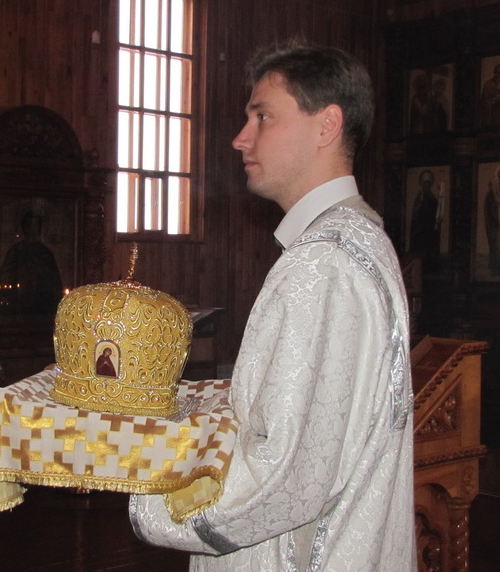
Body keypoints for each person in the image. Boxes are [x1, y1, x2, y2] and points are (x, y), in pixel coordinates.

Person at [130, 41, 416, 571]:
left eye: (262, 116)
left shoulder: (322, 263)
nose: (241, 138)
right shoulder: (357, 236)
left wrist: (141, 477)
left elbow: (285, 473)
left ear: (327, 126)